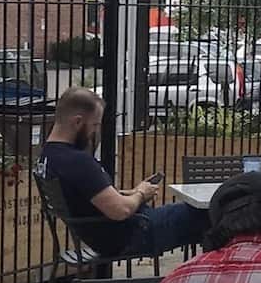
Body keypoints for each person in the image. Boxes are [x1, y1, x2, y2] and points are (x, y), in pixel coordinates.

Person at [38, 88, 205, 258]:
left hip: (110, 235)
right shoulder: (76, 161)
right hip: (134, 235)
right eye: (95, 124)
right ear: (77, 122)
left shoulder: (48, 156)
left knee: (207, 214)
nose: (95, 132)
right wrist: (141, 193)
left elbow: (87, 198)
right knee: (209, 214)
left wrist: (131, 192)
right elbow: (120, 211)